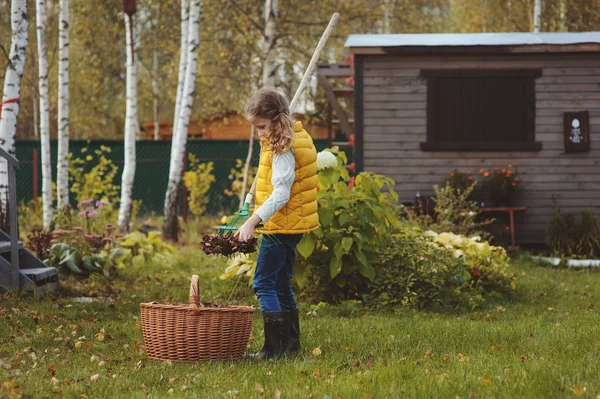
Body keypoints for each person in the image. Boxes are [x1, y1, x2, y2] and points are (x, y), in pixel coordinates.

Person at [234, 88, 318, 360]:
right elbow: (266, 177)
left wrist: (253, 221)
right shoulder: (291, 137)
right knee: (281, 282)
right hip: (291, 225)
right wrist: (250, 197)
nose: (258, 132)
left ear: (276, 119)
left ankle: (273, 350)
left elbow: (281, 193)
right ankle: (290, 345)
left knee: (263, 284)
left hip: (280, 226)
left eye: (261, 126)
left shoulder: (283, 147)